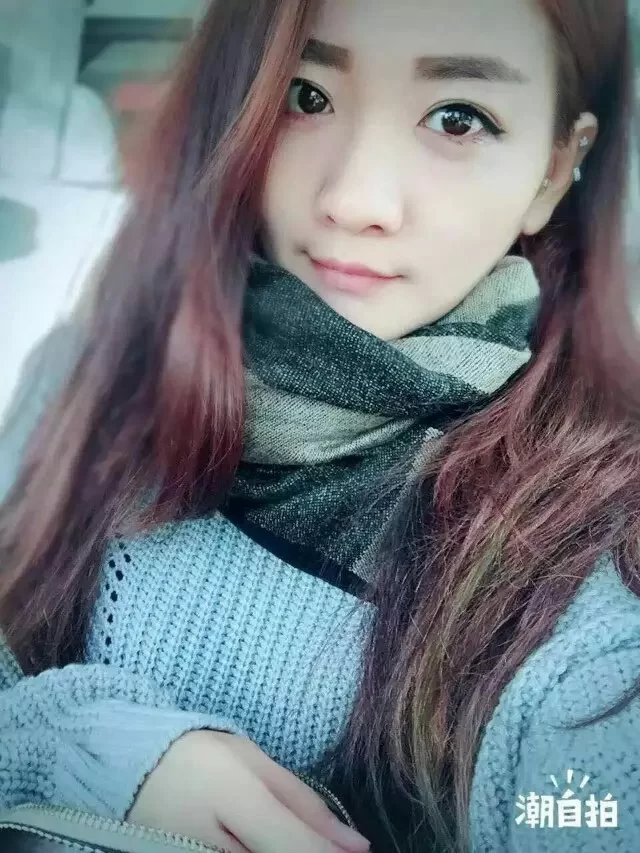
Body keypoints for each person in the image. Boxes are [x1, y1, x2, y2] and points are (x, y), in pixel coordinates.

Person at [1, 0, 640, 850]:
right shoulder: (88, 383)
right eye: (306, 96)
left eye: (458, 118)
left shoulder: (586, 562)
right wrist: (78, 747)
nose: (354, 199)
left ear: (554, 170)